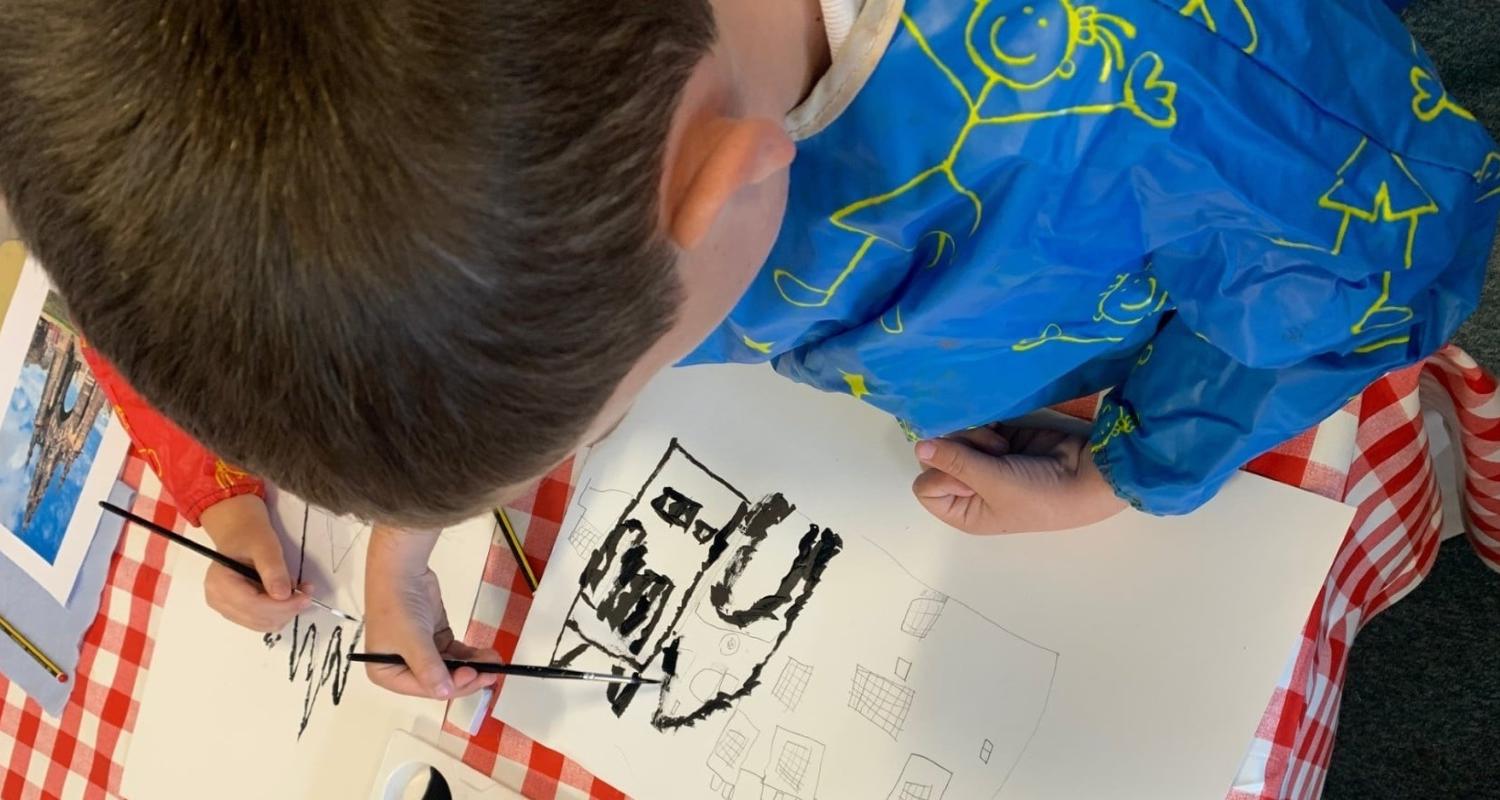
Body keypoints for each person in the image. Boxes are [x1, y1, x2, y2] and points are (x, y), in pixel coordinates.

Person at [0, 0, 1494, 702]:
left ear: (740, 188)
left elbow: (1389, 251)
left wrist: (1119, 478)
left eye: (625, 377)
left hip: (1136, 280)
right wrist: (406, 537)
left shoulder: (1172, 63)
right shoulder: (591, 126)